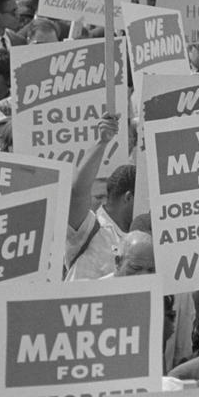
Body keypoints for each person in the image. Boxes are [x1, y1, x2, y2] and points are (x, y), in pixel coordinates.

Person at [64, 116, 133, 281]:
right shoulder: (91, 229)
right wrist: (102, 143)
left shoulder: (142, 235)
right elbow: (77, 192)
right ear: (128, 197)